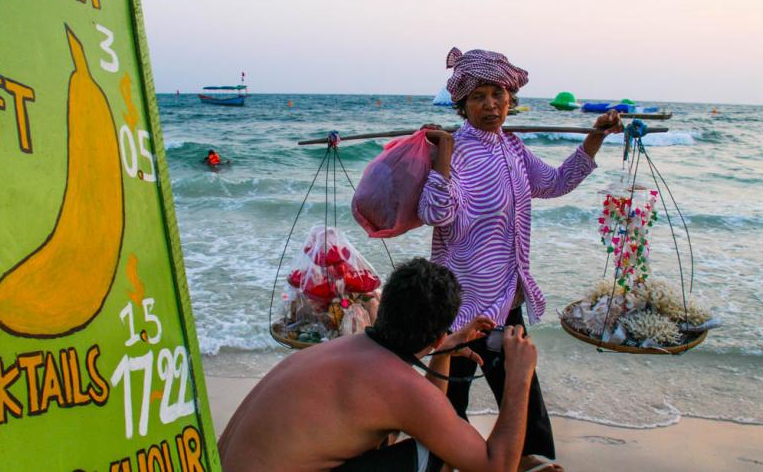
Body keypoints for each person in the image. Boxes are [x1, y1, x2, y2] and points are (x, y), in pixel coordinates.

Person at [418, 47, 623, 469]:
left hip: (507, 305)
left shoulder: (513, 148)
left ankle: (537, 465)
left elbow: (556, 182)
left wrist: (595, 137)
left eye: (498, 94)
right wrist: (442, 157)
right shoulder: (456, 152)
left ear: (511, 98)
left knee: (526, 404)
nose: (491, 105)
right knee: (444, 417)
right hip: (459, 311)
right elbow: (434, 213)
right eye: (478, 96)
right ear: (462, 104)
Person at [217, 258, 541, 471]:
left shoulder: (345, 348)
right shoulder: (398, 388)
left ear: (383, 305)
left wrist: (441, 354)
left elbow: (428, 412)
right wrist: (519, 378)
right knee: (437, 453)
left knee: (411, 438)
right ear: (440, 335)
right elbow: (497, 466)